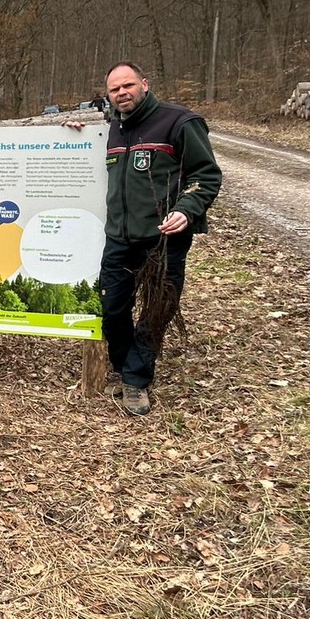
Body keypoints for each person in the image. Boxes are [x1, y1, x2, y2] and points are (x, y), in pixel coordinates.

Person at [95, 62, 221, 415]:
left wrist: (187, 208)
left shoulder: (179, 122)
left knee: (155, 310)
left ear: (144, 85)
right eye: (114, 89)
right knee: (112, 308)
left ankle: (136, 379)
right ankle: (122, 365)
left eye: (128, 85)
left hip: (163, 240)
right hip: (119, 236)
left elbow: (206, 175)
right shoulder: (113, 128)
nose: (121, 92)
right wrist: (72, 130)